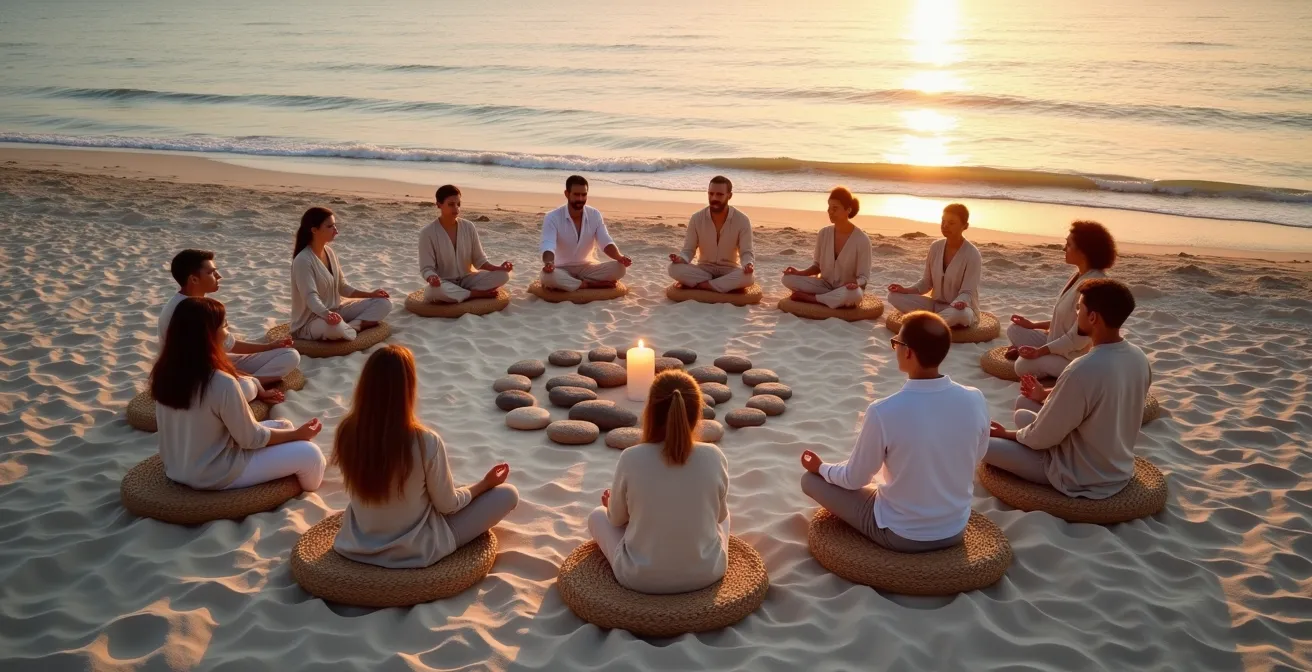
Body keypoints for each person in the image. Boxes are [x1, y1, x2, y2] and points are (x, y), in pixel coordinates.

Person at [800, 311, 989, 552]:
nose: (895, 348)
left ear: (908, 351)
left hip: (903, 533)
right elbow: (978, 455)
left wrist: (821, 468)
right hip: (954, 528)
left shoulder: (883, 411)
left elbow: (855, 478)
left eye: (896, 343)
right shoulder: (975, 398)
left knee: (810, 481)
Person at [332, 345, 519, 568]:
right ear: (408, 388)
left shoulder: (346, 431)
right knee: (507, 494)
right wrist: (484, 484)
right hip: (416, 548)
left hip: (357, 542)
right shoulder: (425, 441)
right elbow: (448, 506)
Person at [984, 279, 1150, 499]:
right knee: (1024, 407)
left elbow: (1041, 438)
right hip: (1114, 461)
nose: (1076, 313)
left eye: (1079, 308)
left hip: (1079, 474)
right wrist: (1042, 395)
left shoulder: (1082, 369)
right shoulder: (1139, 357)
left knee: (985, 446)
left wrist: (1005, 434)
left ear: (1093, 318)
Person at [151, 297, 326, 491]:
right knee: (311, 454)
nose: (228, 332)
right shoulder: (220, 382)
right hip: (214, 472)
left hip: (178, 467)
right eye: (225, 326)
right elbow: (250, 439)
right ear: (209, 335)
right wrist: (296, 435)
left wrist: (291, 433)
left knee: (283, 425)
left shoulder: (164, 372)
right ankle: (298, 491)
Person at [588, 370, 730, 594]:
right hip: (707, 572)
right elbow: (720, 517)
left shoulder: (631, 457)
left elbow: (616, 520)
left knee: (597, 515)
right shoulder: (714, 455)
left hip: (639, 578)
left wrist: (611, 507)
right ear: (695, 415)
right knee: (726, 516)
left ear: (650, 412)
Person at [159, 249, 300, 388]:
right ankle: (253, 383)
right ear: (194, 279)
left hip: (217, 362)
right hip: (195, 375)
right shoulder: (183, 311)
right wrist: (237, 375)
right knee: (244, 387)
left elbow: (228, 344)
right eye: (211, 272)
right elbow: (197, 362)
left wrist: (269, 347)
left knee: (290, 354)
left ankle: (252, 382)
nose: (218, 276)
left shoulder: (199, 303)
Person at [1006, 220, 1117, 378]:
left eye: (1069, 245)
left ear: (1084, 251)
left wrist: (1040, 352)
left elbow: (1078, 339)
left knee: (1022, 365)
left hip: (1073, 357)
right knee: (1014, 329)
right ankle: (1041, 357)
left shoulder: (1095, 286)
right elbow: (1066, 322)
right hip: (1055, 343)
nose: (1064, 248)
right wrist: (1033, 325)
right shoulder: (1079, 275)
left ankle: (1048, 365)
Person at [290, 207, 392, 341]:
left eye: (335, 225)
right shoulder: (303, 260)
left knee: (384, 303)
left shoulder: (329, 252)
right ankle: (350, 327)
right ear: (314, 230)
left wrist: (370, 294)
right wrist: (327, 315)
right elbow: (310, 297)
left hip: (337, 310)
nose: (336, 230)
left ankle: (352, 327)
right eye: (330, 226)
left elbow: (342, 287)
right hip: (312, 320)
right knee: (335, 328)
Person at [887, 203, 982, 327]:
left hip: (959, 309)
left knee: (961, 315)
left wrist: (959, 303)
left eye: (951, 223)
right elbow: (927, 282)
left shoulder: (972, 254)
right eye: (943, 221)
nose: (945, 225)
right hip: (935, 305)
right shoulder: (935, 247)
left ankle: (928, 322)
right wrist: (905, 290)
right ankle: (936, 321)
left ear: (965, 226)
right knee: (893, 296)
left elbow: (968, 292)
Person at [419, 184, 514, 303]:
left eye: (458, 204)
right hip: (444, 282)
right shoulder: (427, 233)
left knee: (503, 275)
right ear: (439, 204)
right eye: (451, 204)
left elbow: (479, 260)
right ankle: (475, 294)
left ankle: (462, 293)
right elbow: (426, 268)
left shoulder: (468, 227)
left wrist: (498, 268)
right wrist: (432, 278)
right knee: (433, 292)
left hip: (468, 279)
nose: (456, 208)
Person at [781, 187, 871, 309]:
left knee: (854, 295)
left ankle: (812, 298)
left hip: (847, 289)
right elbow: (816, 266)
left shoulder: (862, 240)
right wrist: (799, 273)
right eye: (829, 207)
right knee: (787, 279)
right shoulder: (823, 233)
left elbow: (863, 277)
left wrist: (855, 284)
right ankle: (829, 297)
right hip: (824, 285)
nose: (830, 211)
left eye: (835, 208)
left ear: (848, 210)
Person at [539, 175, 631, 291]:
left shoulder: (594, 214)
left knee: (620, 268)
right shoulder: (552, 217)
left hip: (587, 268)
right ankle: (588, 285)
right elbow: (548, 245)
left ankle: (574, 283)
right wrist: (549, 263)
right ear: (567, 194)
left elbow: (605, 242)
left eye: (584, 194)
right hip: (561, 268)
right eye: (577, 194)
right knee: (548, 277)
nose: (581, 199)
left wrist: (620, 257)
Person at [668, 176, 755, 293]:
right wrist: (681, 259)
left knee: (748, 278)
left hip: (729, 270)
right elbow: (689, 250)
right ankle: (716, 284)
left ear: (729, 196)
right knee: (673, 269)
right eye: (711, 194)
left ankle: (705, 285)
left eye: (719, 194)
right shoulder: (696, 218)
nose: (714, 198)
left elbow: (746, 252)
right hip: (704, 270)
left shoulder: (742, 220)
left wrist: (748, 264)